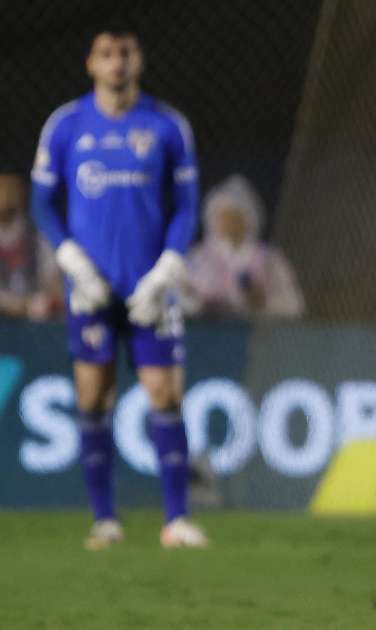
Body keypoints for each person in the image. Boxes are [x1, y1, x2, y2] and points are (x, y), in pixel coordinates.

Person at [30, 26, 208, 549]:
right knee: (93, 395)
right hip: (91, 289)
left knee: (164, 394)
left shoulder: (167, 126)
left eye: (125, 52)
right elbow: (43, 203)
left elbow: (187, 206)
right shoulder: (65, 126)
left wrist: (168, 269)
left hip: (150, 288)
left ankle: (176, 520)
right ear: (91, 63)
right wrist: (71, 261)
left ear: (139, 59)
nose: (117, 63)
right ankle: (105, 520)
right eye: (107, 54)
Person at [183, 173, 304, 319]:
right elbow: (176, 302)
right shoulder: (197, 257)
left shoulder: (269, 259)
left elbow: (294, 306)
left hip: (251, 337)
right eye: (221, 216)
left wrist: (262, 302)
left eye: (233, 217)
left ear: (249, 220)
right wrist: (194, 300)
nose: (226, 223)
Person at [0, 174, 62, 320]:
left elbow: (54, 278)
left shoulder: (36, 231)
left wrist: (47, 299)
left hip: (36, 314)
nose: (5, 197)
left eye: (10, 191)